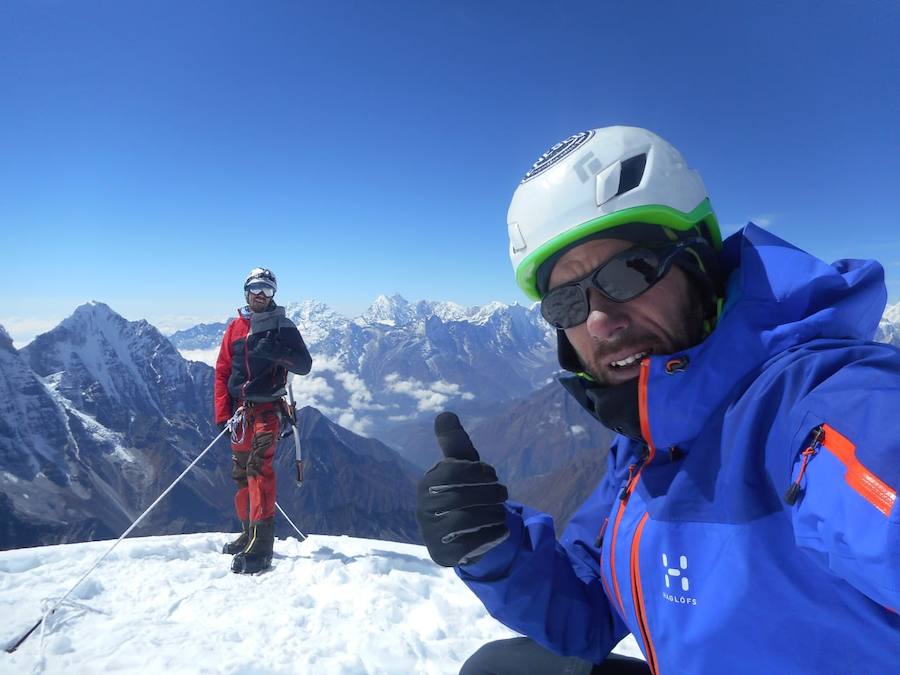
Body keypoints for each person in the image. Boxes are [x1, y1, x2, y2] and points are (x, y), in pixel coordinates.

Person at [416, 127, 900, 673]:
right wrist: (493, 545)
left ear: (701, 268)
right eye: (567, 302)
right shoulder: (651, 445)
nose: (599, 322)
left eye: (628, 273)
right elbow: (590, 606)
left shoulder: (811, 408)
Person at [214, 267, 312, 574]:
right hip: (241, 415)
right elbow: (223, 371)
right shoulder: (235, 328)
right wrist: (222, 413)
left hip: (267, 411)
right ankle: (248, 533)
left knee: (258, 472)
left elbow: (303, 364)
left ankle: (262, 546)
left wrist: (278, 352)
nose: (260, 294)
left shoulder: (282, 326)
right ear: (245, 291)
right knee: (241, 474)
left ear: (274, 294)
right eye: (256, 288)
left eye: (267, 289)